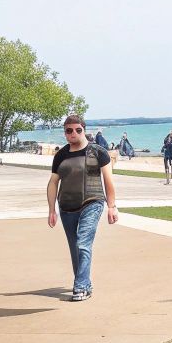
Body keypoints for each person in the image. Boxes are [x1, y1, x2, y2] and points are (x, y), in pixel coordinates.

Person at [46, 114, 118, 301]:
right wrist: (51, 209)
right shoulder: (61, 155)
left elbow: (108, 180)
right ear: (65, 133)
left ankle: (79, 287)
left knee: (83, 243)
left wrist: (112, 206)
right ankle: (85, 283)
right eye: (69, 131)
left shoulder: (98, 152)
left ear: (84, 130)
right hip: (66, 206)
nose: (73, 134)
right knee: (74, 247)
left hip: (92, 202)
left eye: (78, 130)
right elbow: (53, 182)